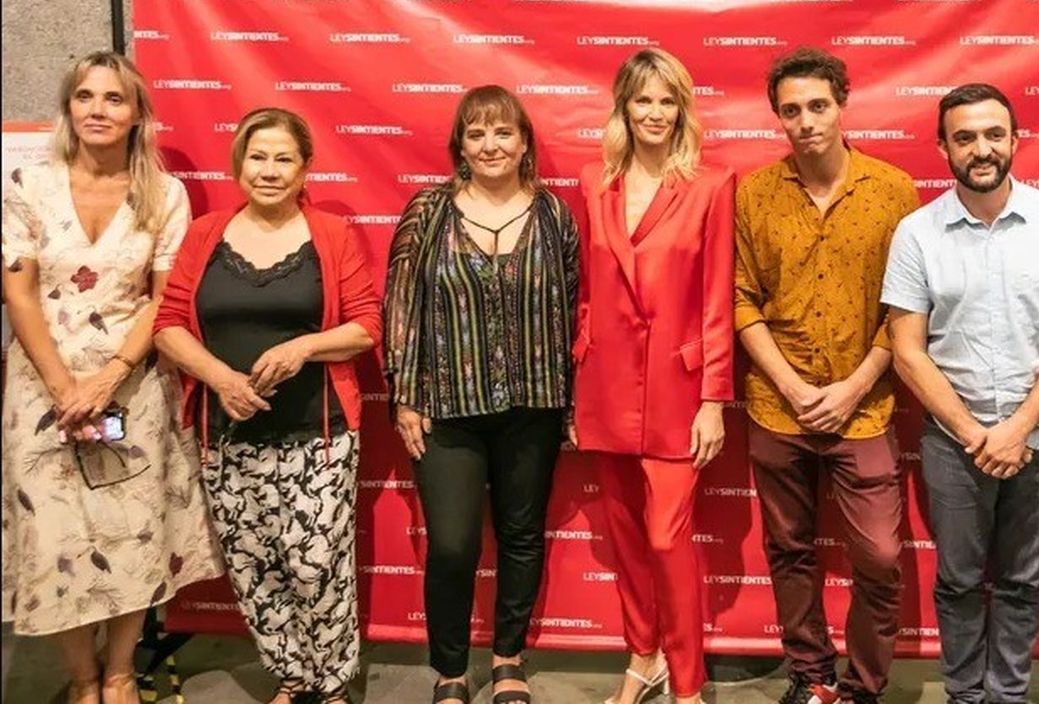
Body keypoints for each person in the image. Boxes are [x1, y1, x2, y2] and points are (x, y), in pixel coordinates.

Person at [1, 52, 221, 704]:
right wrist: (64, 384)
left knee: (131, 533)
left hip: (134, 387)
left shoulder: (164, 194)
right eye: (86, 97)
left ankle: (121, 671)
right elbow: (20, 293)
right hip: (41, 388)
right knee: (53, 535)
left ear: (137, 114)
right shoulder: (26, 184)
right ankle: (82, 678)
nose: (98, 110)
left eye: (114, 99)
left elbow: (164, 298)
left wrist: (111, 376)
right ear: (69, 107)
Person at [154, 107, 381, 704]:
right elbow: (169, 325)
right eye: (259, 157)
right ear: (239, 164)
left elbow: (366, 327)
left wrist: (305, 346)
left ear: (306, 168)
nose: (270, 170)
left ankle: (332, 686)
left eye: (285, 159)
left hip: (319, 435)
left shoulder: (330, 235)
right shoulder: (205, 235)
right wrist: (219, 378)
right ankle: (291, 677)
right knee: (254, 566)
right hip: (225, 436)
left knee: (315, 566)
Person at [881, 83, 1039, 704]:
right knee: (959, 581)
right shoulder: (917, 233)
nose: (982, 148)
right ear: (943, 146)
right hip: (955, 443)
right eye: (965, 136)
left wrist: (1020, 427)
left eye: (994, 134)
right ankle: (964, 696)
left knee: (1025, 583)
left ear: (1014, 139)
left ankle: (1007, 695)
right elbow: (908, 349)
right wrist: (978, 434)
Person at [382, 86, 580, 704]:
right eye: (476, 134)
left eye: (502, 133)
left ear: (524, 143)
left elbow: (574, 310)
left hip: (535, 402)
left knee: (522, 535)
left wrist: (573, 401)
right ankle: (449, 669)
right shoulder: (428, 212)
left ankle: (508, 658)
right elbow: (400, 308)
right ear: (460, 146)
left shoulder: (554, 216)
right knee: (454, 541)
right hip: (447, 405)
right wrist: (405, 395)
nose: (491, 145)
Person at [733, 48, 917, 704]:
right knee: (788, 547)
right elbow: (742, 299)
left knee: (879, 558)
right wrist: (791, 386)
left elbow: (908, 306)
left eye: (817, 106)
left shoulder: (893, 190)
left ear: (842, 104)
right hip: (775, 407)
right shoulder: (755, 193)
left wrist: (852, 387)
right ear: (777, 116)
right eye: (791, 110)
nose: (805, 121)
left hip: (863, 408)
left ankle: (864, 687)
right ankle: (810, 679)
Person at [572, 49, 735, 704]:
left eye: (668, 101)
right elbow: (587, 291)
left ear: (683, 110)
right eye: (644, 100)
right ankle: (643, 659)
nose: (656, 113)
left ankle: (687, 682)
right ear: (624, 107)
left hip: (676, 390)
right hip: (604, 386)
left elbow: (718, 298)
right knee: (626, 540)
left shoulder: (712, 186)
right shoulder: (593, 182)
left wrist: (714, 398)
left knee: (668, 539)